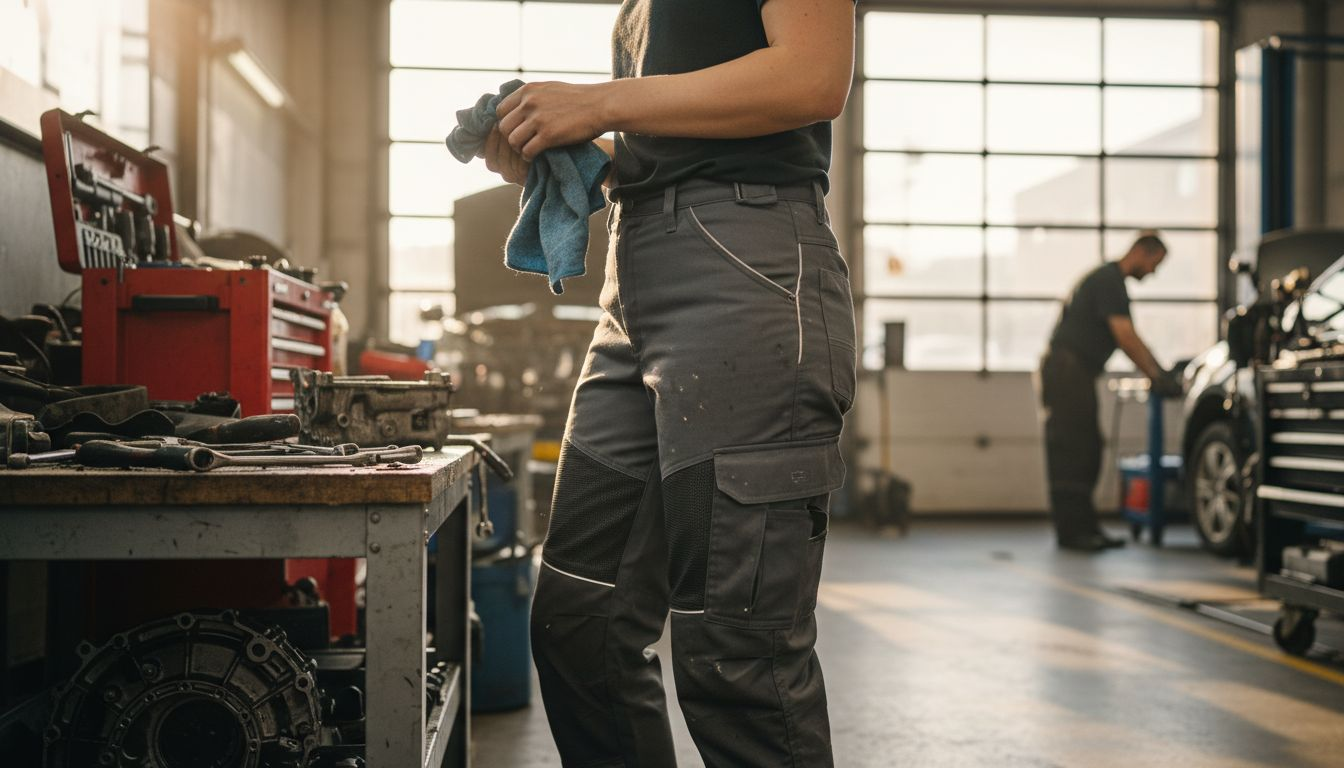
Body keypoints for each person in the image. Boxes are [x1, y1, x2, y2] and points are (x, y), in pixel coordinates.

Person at [480, 1, 857, 765]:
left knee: (736, 648)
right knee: (580, 624)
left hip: (744, 269)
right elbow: (686, 127)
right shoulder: (635, 8)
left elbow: (813, 76)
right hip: (635, 275)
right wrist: (580, 145)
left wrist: (597, 102)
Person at [1038, 231, 1182, 552]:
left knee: (1087, 446)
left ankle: (1085, 527)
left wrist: (1159, 374)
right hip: (1067, 370)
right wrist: (1159, 375)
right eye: (1154, 264)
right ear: (1141, 252)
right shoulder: (1108, 282)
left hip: (1073, 371)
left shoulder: (1109, 280)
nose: (1153, 273)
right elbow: (1126, 337)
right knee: (1073, 449)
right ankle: (1073, 532)